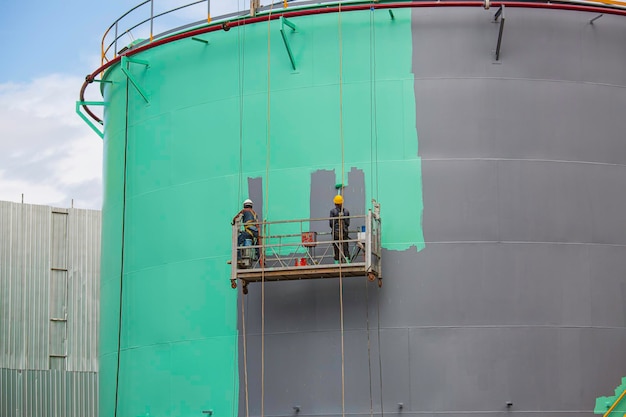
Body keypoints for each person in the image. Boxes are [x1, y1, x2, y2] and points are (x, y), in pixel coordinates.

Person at [329, 194, 350, 263]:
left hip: (336, 233)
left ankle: (337, 262)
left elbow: (331, 224)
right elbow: (348, 223)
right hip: (344, 232)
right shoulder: (346, 211)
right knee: (345, 248)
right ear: (342, 202)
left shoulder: (332, 212)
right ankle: (347, 262)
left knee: (336, 248)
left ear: (335, 203)